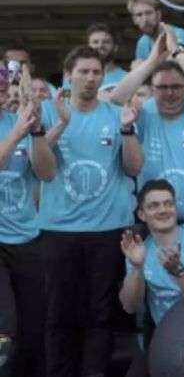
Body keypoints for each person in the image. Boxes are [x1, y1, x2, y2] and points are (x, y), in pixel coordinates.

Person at [39, 46, 143, 377]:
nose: (90, 78)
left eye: (96, 72)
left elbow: (134, 167)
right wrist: (60, 124)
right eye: (83, 71)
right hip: (59, 230)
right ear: (68, 76)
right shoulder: (48, 111)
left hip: (108, 228)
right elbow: (41, 169)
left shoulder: (116, 114)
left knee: (101, 313)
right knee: (58, 314)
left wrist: (127, 130)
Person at [111, 25, 184, 238]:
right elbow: (115, 99)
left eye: (176, 86)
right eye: (162, 87)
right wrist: (152, 61)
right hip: (154, 228)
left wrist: (177, 53)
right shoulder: (142, 117)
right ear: (152, 90)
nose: (170, 93)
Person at [118, 179, 184, 375]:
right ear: (141, 214)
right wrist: (137, 267)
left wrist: (178, 272)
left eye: (168, 203)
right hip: (165, 338)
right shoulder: (139, 249)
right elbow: (130, 306)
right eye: (153, 206)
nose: (163, 210)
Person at [0, 77, 55, 376]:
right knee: (4, 327)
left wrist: (36, 133)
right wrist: (19, 131)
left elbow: (46, 174)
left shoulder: (18, 120)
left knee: (34, 328)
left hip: (27, 236)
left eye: (2, 78)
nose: (0, 84)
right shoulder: (15, 126)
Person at [127, 0, 184, 64]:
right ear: (134, 20)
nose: (145, 19)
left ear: (158, 15)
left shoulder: (179, 35)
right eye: (139, 15)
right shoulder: (142, 43)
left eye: (148, 13)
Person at [85, 23, 128, 89]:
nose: (100, 45)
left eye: (106, 42)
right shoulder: (74, 76)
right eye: (95, 42)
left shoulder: (127, 78)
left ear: (115, 48)